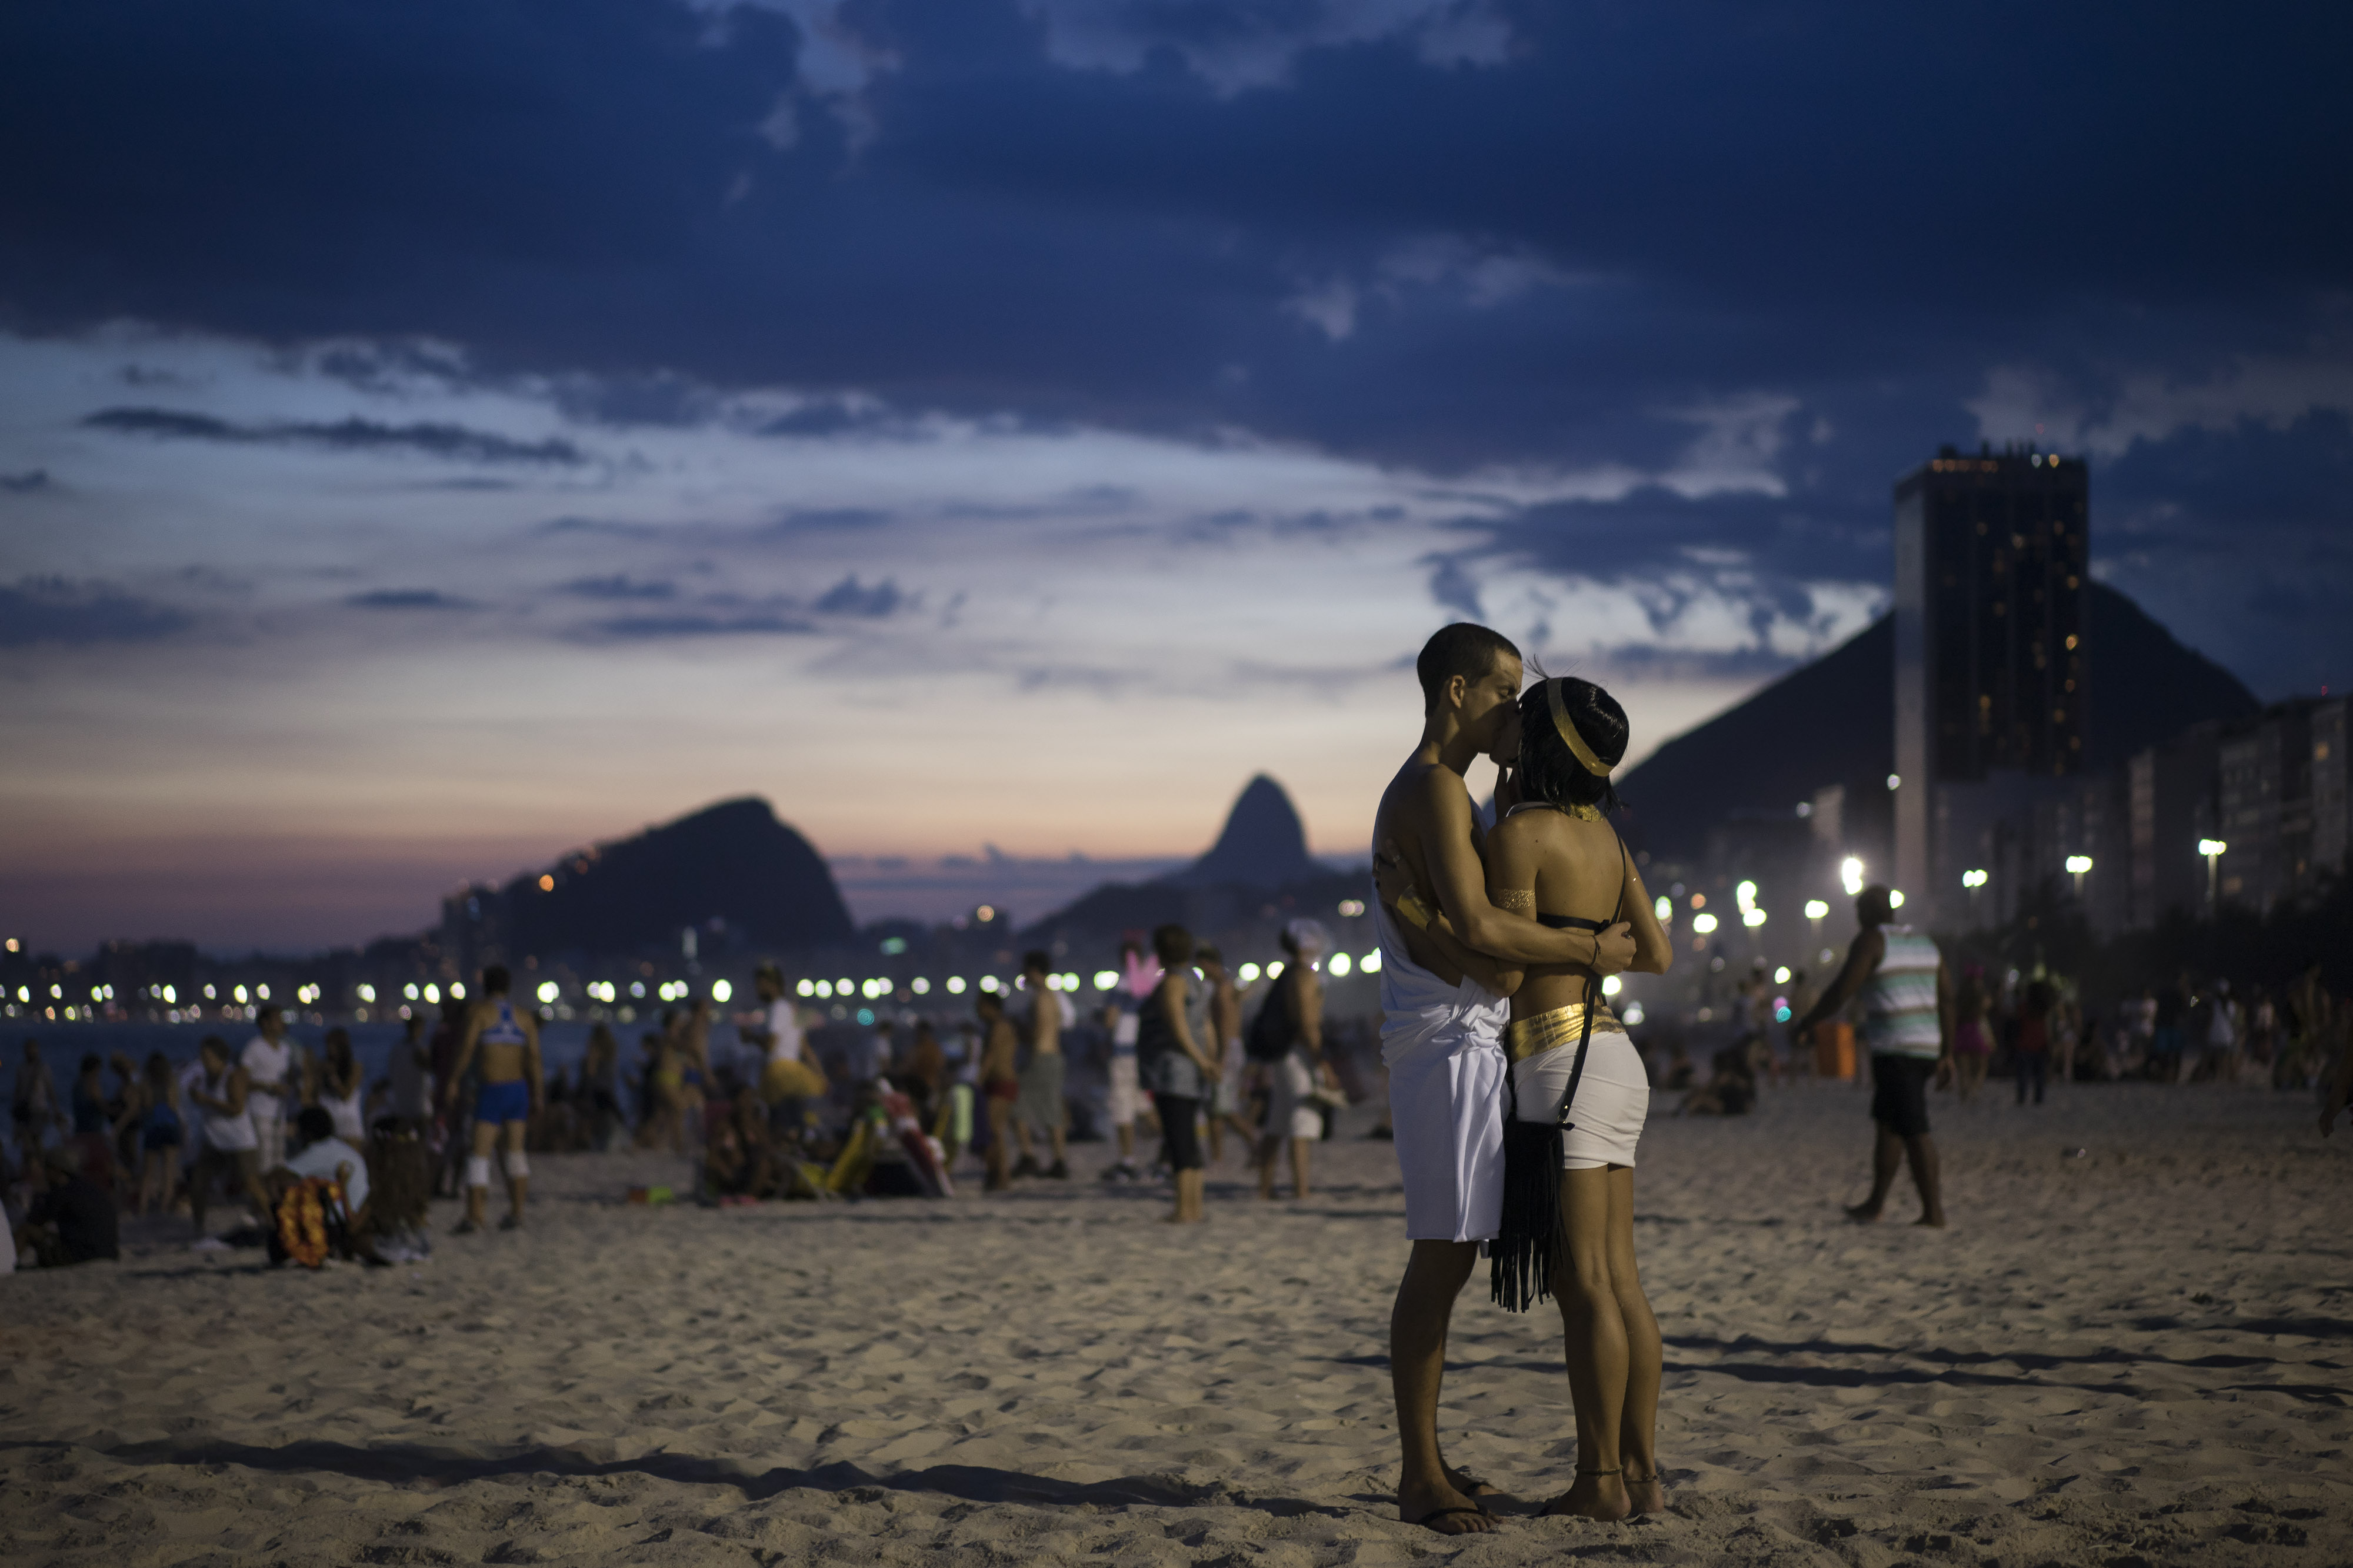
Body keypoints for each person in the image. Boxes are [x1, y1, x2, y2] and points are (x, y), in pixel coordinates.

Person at [1365, 622, 1636, 1536]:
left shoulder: (1453, 797)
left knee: (1453, 1255)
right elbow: (1490, 947)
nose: (1513, 708)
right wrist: (1591, 946)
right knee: (1441, 1256)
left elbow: (1463, 939)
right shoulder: (1439, 791)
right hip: (1449, 1048)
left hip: (1462, 1041)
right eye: (1502, 690)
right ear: (1455, 691)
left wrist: (1427, 919)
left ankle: (1429, 1462)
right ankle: (1418, 1475)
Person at [1458, 672, 1677, 1521]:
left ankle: (1597, 1483)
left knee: (1582, 1281)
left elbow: (1507, 968)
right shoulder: (1608, 841)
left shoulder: (1520, 837)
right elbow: (1652, 953)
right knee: (1621, 1279)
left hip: (1558, 1060)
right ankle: (1644, 1477)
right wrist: (1594, 943)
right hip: (1617, 1057)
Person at [1792, 885, 1952, 1227]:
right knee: (1888, 1125)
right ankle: (1875, 1203)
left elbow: (1841, 991)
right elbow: (1948, 998)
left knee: (1914, 1128)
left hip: (1898, 1049)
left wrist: (1807, 1023)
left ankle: (1933, 1212)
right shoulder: (1925, 943)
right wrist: (1947, 1052)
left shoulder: (1871, 942)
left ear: (1864, 914)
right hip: (1925, 1046)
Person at [442, 965, 544, 1233]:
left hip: (492, 1091)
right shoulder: (524, 1017)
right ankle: (517, 1212)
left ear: (485, 985)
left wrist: (453, 1081)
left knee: (479, 1156)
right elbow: (534, 1058)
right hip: (518, 1090)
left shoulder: (479, 1012)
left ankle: (476, 1216)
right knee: (515, 1155)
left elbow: (466, 1049)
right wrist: (539, 1093)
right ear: (508, 987)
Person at [1135, 925, 1217, 1223]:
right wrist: (1210, 1059)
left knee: (1179, 1141)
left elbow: (1177, 1026)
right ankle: (1193, 1208)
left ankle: (1185, 1210)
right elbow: (1205, 1025)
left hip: (1173, 1071)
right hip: (1191, 1071)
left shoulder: (1172, 982)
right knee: (1189, 1142)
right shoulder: (1195, 981)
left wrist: (1200, 1060)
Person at [1252, 922, 1335, 1201]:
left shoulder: (1287, 974)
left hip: (1281, 1053)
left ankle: (1266, 1187)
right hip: (1297, 1052)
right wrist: (1321, 1062)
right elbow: (1307, 1021)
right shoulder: (1304, 976)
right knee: (1303, 1118)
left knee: (1278, 1119)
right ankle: (1301, 1189)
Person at [188, 1034, 272, 1242]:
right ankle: (198, 1229)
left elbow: (237, 1108)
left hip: (239, 1141)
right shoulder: (203, 1077)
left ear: (219, 1057)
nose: (204, 1061)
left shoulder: (232, 1076)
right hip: (214, 1140)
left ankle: (274, 1223)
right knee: (198, 1183)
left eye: (208, 1057)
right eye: (202, 1057)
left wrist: (206, 1100)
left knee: (252, 1184)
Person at [1098, 935, 1156, 1183]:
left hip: (1123, 1052)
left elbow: (1111, 1019)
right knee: (1142, 1105)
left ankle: (1127, 1160)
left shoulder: (1122, 985)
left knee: (1123, 1107)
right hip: (1143, 1051)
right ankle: (1171, 1150)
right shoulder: (1150, 985)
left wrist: (1103, 1032)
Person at [1010, 953, 1070, 1179]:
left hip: (1042, 1059)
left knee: (1018, 1108)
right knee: (1051, 1110)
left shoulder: (1042, 997)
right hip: (1050, 1058)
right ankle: (1057, 1160)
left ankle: (1030, 1157)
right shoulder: (1050, 996)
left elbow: (1040, 1033)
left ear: (1033, 971)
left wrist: (1018, 1030)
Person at [1197, 946, 1255, 1165]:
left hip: (1226, 1050)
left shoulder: (1221, 991)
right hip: (1231, 1049)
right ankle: (1217, 1156)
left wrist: (1219, 1059)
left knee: (1223, 1107)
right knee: (1215, 1108)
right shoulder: (1226, 987)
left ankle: (1255, 1143)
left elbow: (1225, 1028)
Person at [14, 1144, 119, 1266]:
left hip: (83, 1256)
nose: (44, 1173)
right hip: (108, 1253)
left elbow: (34, 1220)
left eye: (46, 1169)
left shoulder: (62, 1192)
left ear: (55, 1170)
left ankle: (4, 1265)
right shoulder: (88, 1187)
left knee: (26, 1230)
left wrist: (40, 1192)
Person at [973, 991, 1021, 1192]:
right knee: (992, 1130)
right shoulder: (997, 1026)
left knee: (995, 1129)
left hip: (1002, 1082)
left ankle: (1002, 1175)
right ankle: (996, 1173)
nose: (977, 1011)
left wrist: (978, 1079)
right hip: (997, 1082)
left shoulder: (1000, 1026)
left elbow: (991, 1055)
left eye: (980, 1006)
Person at [128, 1050, 185, 1215]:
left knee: (148, 1173)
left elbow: (145, 1104)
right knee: (169, 1172)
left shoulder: (146, 1084)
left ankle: (143, 1208)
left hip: (153, 1129)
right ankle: (165, 1207)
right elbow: (174, 1105)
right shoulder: (171, 1082)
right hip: (171, 1128)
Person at [241, 1005, 296, 1172]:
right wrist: (269, 1087)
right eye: (277, 1020)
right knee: (264, 1160)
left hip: (280, 1113)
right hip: (260, 1112)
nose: (281, 1024)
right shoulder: (254, 1048)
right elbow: (242, 1080)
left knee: (280, 1159)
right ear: (265, 1023)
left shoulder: (285, 1050)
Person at [383, 1012, 434, 1128]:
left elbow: (391, 1073)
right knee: (421, 1135)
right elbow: (430, 1068)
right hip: (419, 1104)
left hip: (401, 1103)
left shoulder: (397, 1048)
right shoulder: (419, 1050)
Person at [1951, 967, 1992, 1103]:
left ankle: (1964, 1092)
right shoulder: (1980, 995)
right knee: (1981, 1064)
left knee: (1964, 1067)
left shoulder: (1961, 995)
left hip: (1962, 1030)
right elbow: (1985, 1009)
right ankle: (1974, 1087)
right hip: (1976, 1030)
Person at [318, 1028, 366, 1142]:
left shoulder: (355, 1067)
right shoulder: (322, 1066)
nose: (329, 1049)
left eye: (332, 1045)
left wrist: (333, 1077)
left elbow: (346, 1095)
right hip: (328, 1123)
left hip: (349, 1124)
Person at [2014, 979, 2052, 1106]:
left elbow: (2017, 1023)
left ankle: (2021, 1098)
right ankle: (2038, 1099)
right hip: (2040, 1045)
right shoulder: (2044, 1009)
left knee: (2023, 1076)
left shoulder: (2024, 1007)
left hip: (2024, 1045)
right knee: (2040, 1077)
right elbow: (2047, 1029)